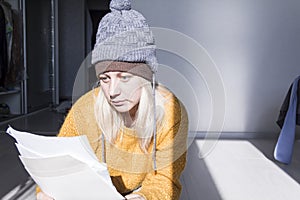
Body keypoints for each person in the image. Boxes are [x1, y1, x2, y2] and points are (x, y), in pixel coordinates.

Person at [37, 0, 188, 199]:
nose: (113, 91)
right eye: (105, 79)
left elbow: (165, 180)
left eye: (124, 77)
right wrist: (47, 192)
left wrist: (144, 197)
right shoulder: (86, 108)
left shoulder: (170, 111)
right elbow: (58, 164)